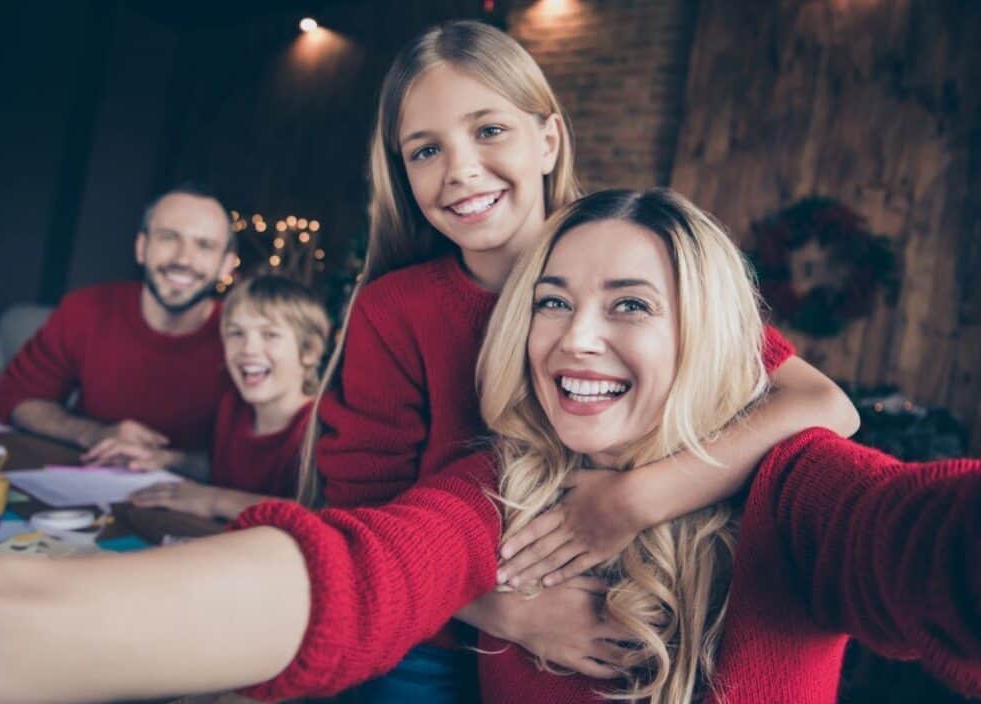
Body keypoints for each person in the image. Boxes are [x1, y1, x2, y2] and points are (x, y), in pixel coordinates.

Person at [0, 189, 980, 704]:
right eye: (551, 303)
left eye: (629, 305)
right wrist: (9, 621)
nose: (574, 338)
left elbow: (924, 539)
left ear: (707, 331)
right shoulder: (495, 477)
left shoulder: (796, 486)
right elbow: (357, 573)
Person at [305, 19, 857, 700]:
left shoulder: (629, 250)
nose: (461, 170)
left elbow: (826, 405)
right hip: (439, 634)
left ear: (548, 139)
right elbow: (365, 507)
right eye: (424, 150)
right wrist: (507, 613)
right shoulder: (397, 310)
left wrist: (633, 501)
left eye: (488, 130)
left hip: (619, 607)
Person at [0, 184, 236, 470]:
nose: (183, 259)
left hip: (191, 506)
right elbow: (19, 397)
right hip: (84, 481)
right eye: (168, 238)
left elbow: (264, 466)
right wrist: (93, 434)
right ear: (141, 248)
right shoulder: (86, 309)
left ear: (226, 266)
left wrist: (172, 461)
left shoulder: (244, 340)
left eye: (204, 245)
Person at [117, 274, 331, 520]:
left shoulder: (320, 429)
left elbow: (320, 514)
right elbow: (225, 467)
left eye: (270, 335)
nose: (248, 349)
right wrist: (166, 459)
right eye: (236, 333)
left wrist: (215, 500)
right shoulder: (233, 407)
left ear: (309, 351)